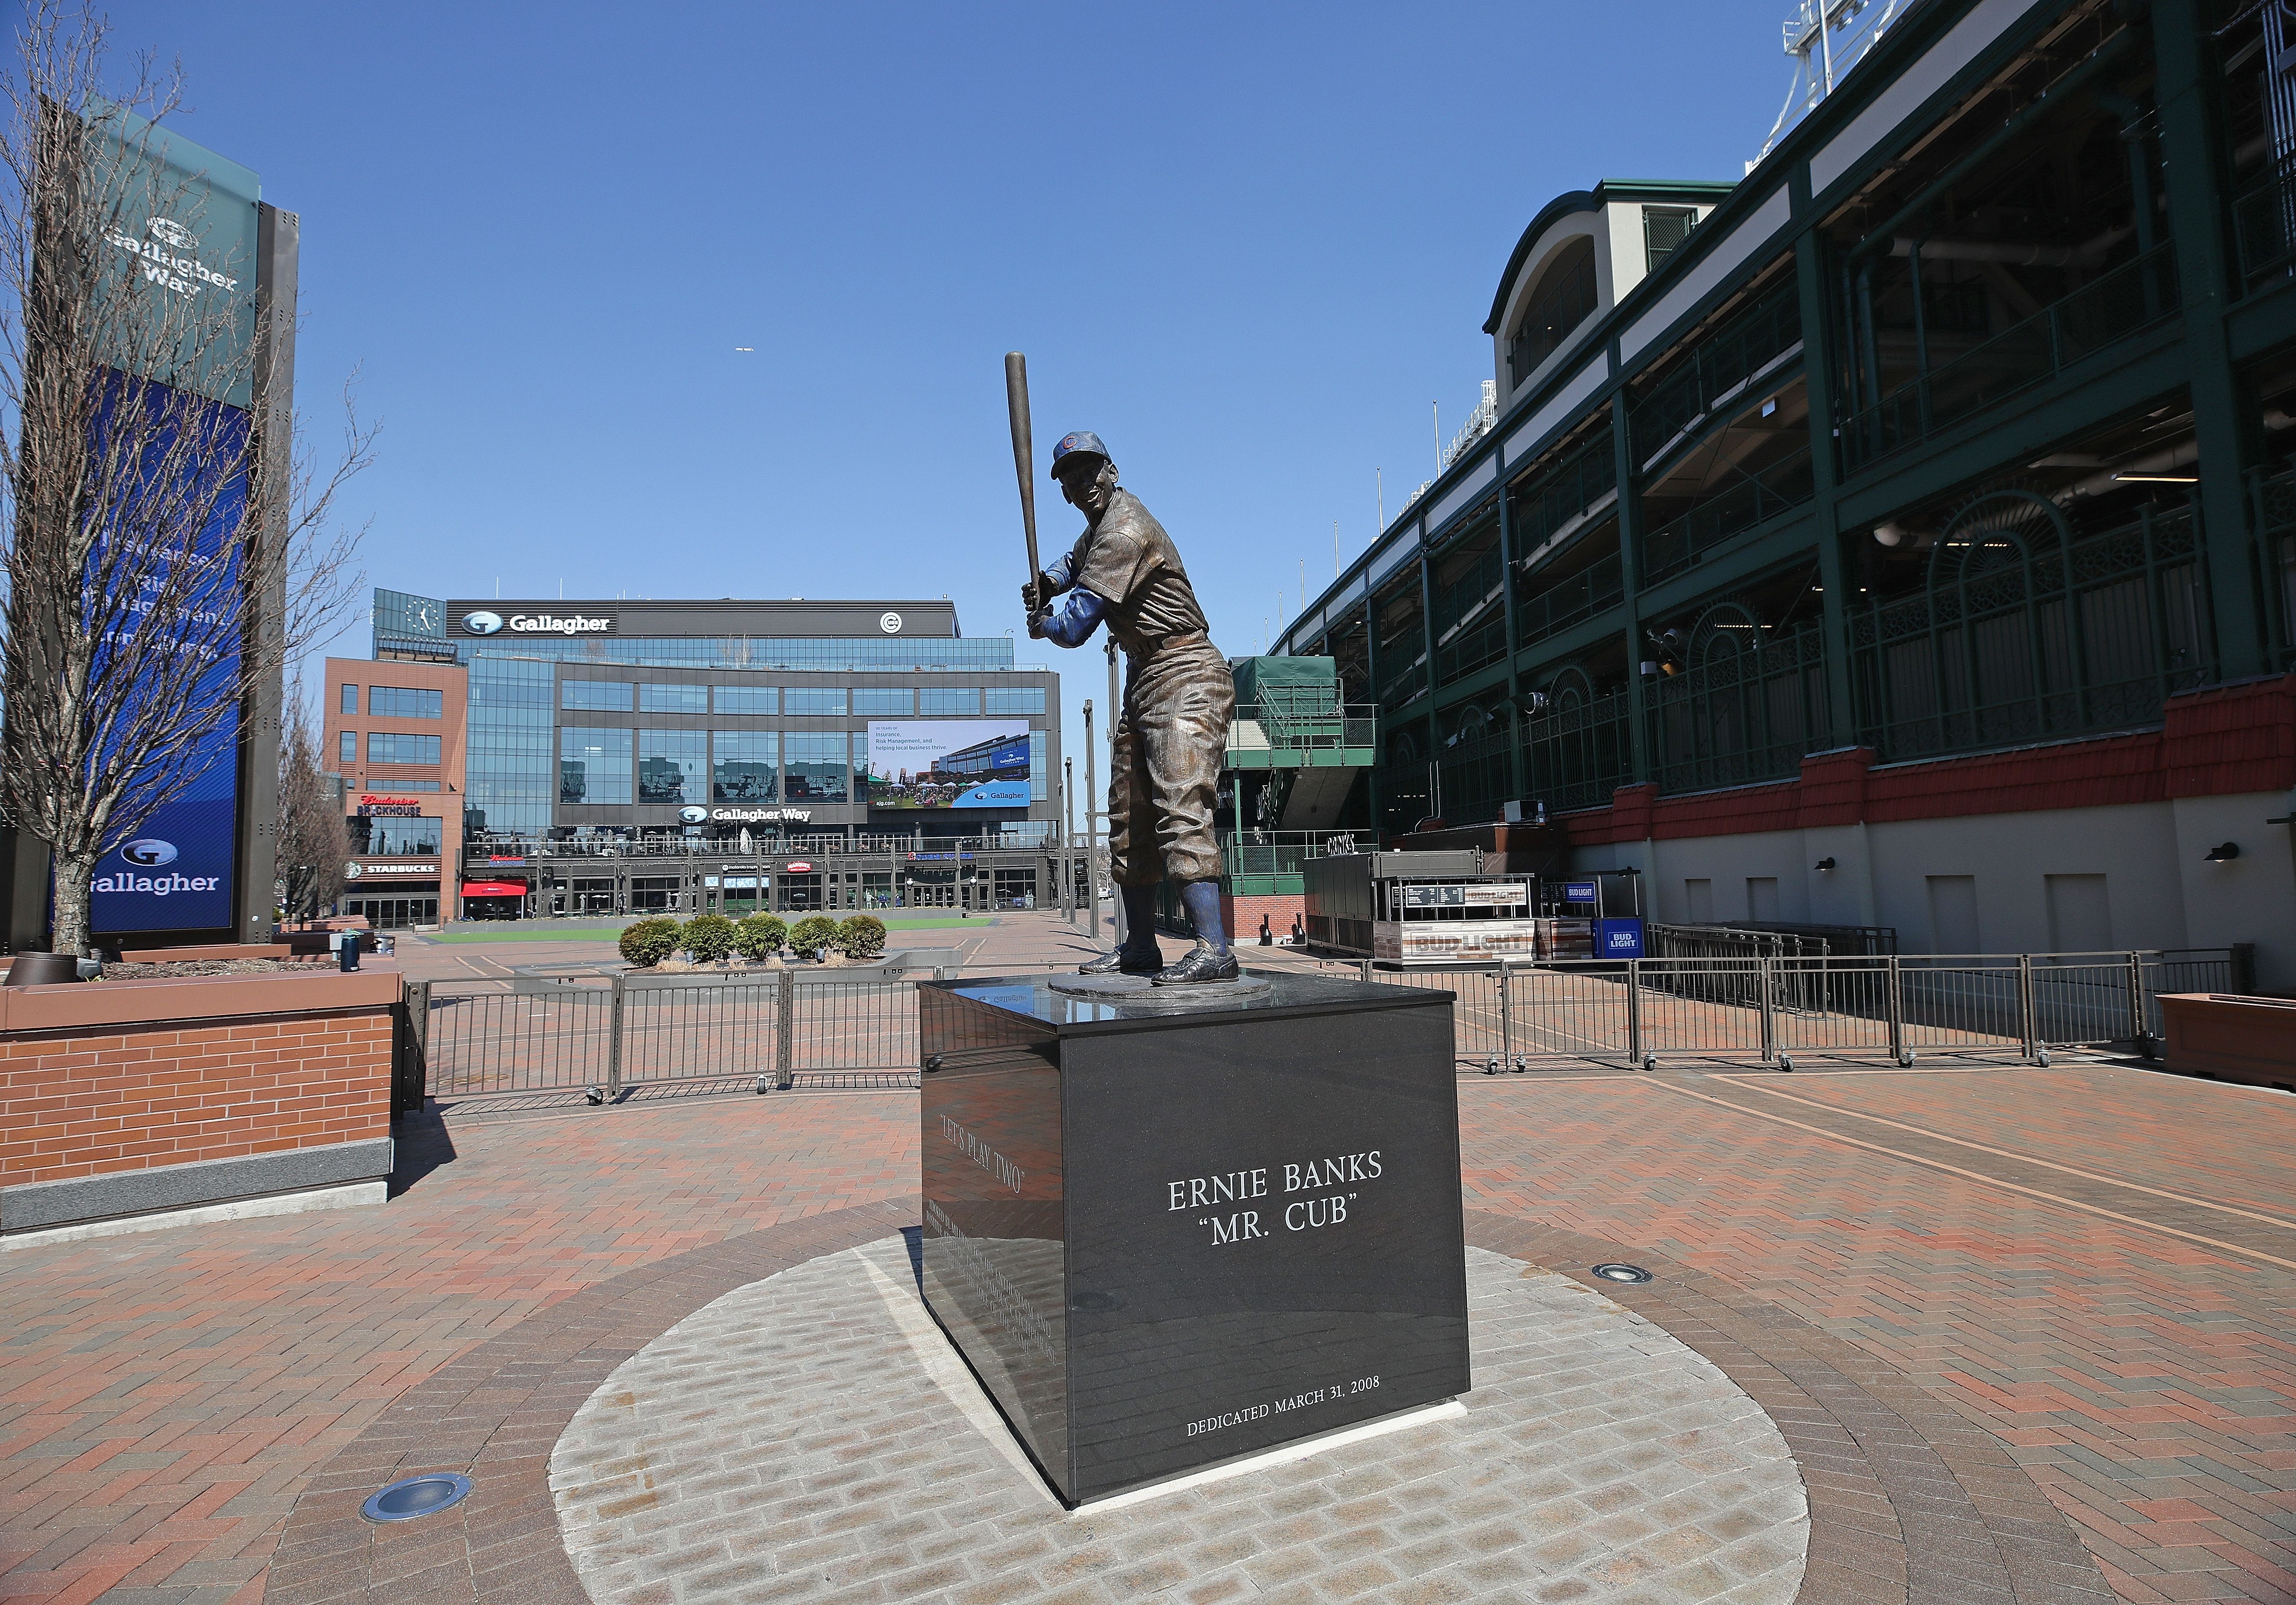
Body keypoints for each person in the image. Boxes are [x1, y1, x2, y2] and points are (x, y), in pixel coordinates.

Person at [1024, 431, 1239, 984]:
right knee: (1129, 819)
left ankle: (1215, 948)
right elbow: (1071, 566)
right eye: (1071, 478)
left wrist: (1043, 624)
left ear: (1112, 470)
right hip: (1145, 677)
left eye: (1090, 471)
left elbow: (1074, 628)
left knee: (1181, 808)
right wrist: (1045, 581)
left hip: (1187, 671)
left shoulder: (1124, 528)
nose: (1082, 483)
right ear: (1066, 492)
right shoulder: (1098, 528)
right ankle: (1141, 945)